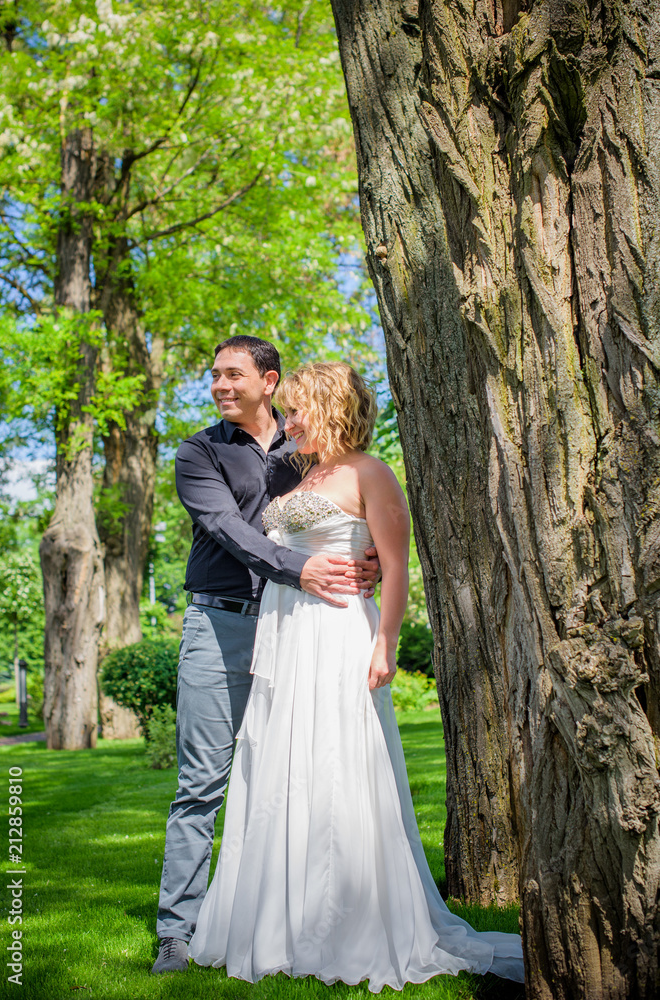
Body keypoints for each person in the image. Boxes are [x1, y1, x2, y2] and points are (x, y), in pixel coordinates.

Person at [188, 362, 525, 989]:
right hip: (284, 633)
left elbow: (395, 567)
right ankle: (279, 920)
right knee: (284, 763)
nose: (287, 425)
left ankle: (347, 919)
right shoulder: (299, 472)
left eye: (297, 412)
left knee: (340, 761)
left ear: (330, 407)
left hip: (340, 631)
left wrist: (384, 642)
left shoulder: (370, 471)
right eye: (285, 414)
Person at [152, 338, 380, 974]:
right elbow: (227, 529)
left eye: (233, 374)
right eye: (215, 376)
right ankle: (178, 927)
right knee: (202, 782)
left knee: (295, 769)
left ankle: (299, 918)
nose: (220, 385)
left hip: (304, 631)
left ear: (268, 380)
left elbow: (352, 507)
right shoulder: (200, 452)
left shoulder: (305, 442)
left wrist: (374, 560)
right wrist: (301, 567)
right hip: (220, 628)